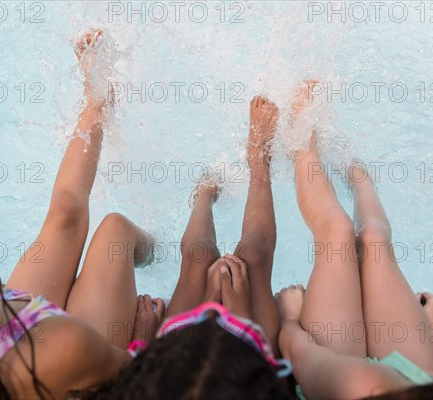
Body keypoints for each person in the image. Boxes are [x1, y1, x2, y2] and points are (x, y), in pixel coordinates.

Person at [0, 29, 164, 399]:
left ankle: (97, 103)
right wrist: (142, 343)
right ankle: (168, 245)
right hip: (55, 364)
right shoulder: (63, 348)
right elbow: (134, 379)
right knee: (115, 232)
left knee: (66, 212)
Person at [275, 81, 433, 399]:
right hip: (425, 379)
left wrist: (288, 322)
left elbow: (297, 352)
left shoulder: (367, 386)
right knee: (373, 238)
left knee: (338, 233)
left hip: (337, 379)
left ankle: (301, 149)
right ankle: (359, 177)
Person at [94, 95, 292, 400]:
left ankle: (202, 196)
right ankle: (259, 163)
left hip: (175, 360)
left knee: (199, 256)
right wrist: (236, 314)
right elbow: (267, 379)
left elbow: (132, 387)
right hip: (249, 368)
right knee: (253, 257)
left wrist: (143, 344)